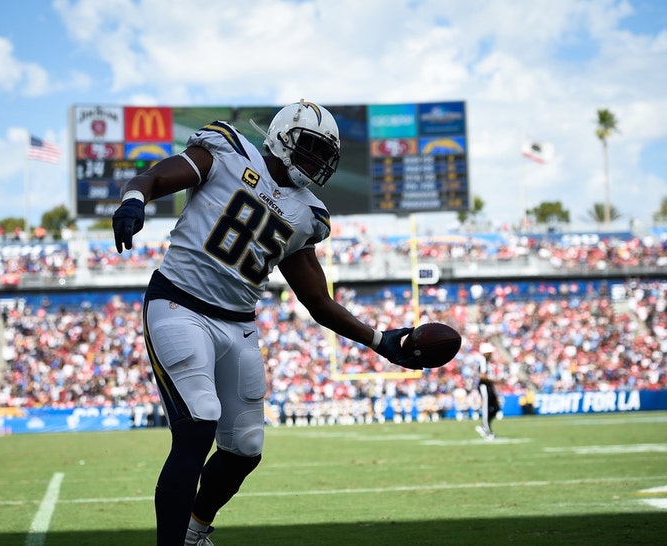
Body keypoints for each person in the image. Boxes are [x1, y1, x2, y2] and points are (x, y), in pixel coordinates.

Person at [112, 99, 417, 546]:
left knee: (246, 447)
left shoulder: (304, 214)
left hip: (238, 324)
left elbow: (316, 299)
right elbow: (153, 176)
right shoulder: (228, 152)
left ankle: (196, 531)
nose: (315, 162)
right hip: (180, 303)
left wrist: (379, 339)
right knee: (199, 423)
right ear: (281, 136)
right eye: (309, 148)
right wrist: (134, 199)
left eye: (323, 155)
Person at [475, 342, 500, 440]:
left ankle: (484, 427)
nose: (491, 354)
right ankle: (486, 430)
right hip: (484, 387)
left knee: (496, 408)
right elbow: (482, 376)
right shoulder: (483, 360)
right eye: (489, 352)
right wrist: (495, 380)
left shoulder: (487, 361)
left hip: (489, 387)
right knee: (485, 409)